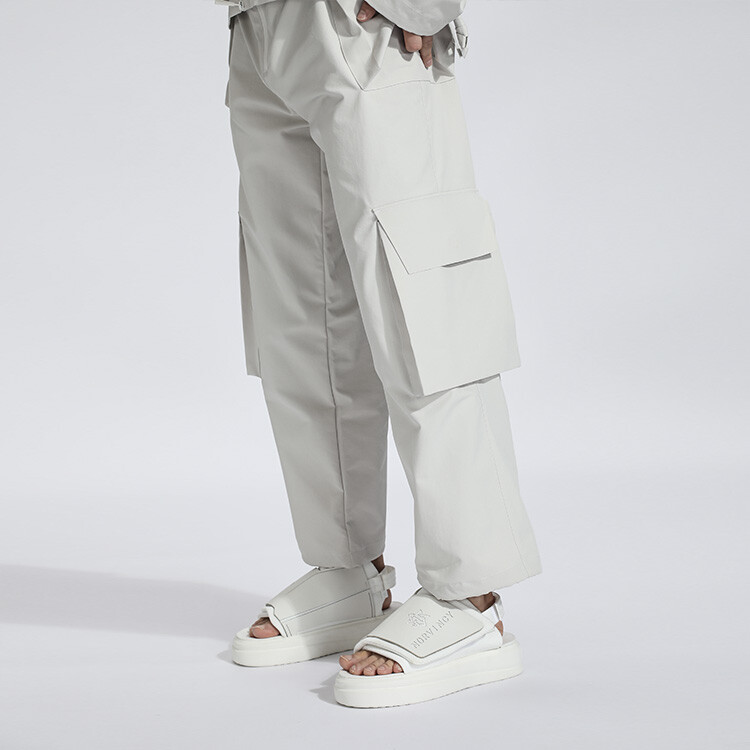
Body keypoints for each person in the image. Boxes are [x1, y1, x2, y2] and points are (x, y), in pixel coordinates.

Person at [219, 0, 543, 707]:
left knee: (421, 297)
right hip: (259, 23)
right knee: (303, 310)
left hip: (361, 20)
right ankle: (348, 569)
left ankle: (470, 595)